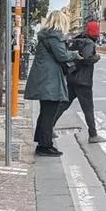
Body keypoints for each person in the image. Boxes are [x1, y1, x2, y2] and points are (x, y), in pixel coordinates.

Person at [25, 11, 78, 157]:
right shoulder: (55, 36)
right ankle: (45, 145)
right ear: (61, 22)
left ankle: (43, 142)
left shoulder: (46, 35)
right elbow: (62, 55)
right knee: (49, 112)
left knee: (45, 112)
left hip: (44, 78)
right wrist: (74, 54)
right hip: (49, 79)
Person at [60, 21, 106, 143]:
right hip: (83, 81)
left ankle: (49, 128)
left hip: (72, 78)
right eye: (97, 32)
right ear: (95, 33)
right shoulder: (89, 43)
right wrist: (97, 57)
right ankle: (93, 135)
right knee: (88, 109)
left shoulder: (77, 41)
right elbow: (87, 59)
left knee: (64, 105)